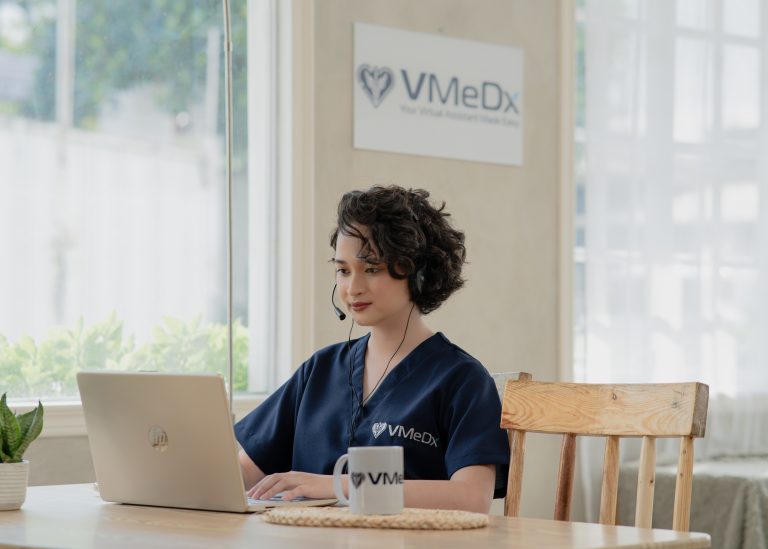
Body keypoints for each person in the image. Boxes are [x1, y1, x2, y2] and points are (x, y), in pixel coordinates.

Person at [235, 185, 509, 513]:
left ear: (419, 274)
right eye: (343, 270)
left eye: (372, 269)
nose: (353, 288)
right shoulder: (319, 370)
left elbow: (471, 498)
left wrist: (338, 486)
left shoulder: (462, 380)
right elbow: (244, 475)